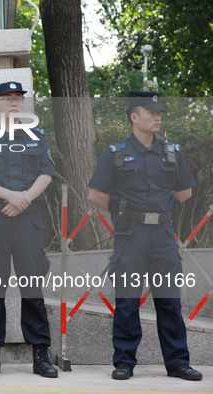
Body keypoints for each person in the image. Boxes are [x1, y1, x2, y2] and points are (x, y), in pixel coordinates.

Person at [88, 90, 202, 381]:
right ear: (133, 117)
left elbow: (185, 191)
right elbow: (96, 194)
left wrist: (160, 209)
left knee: (169, 301)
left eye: (159, 113)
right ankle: (124, 362)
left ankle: (177, 363)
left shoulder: (172, 152)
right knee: (127, 301)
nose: (157, 116)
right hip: (130, 235)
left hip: (163, 235)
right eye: (150, 112)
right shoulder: (114, 154)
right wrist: (123, 211)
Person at [0, 82, 58, 378]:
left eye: (18, 99)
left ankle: (40, 354)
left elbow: (47, 173)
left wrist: (24, 199)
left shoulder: (37, 136)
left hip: (28, 219)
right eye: (7, 99)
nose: (14, 104)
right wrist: (10, 196)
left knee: (32, 287)